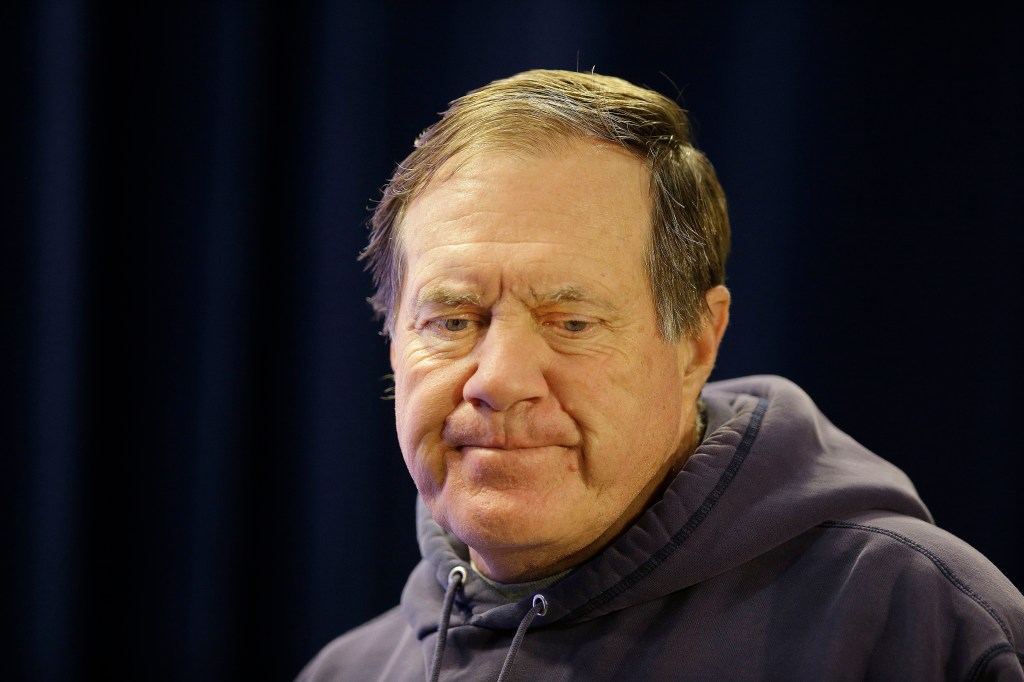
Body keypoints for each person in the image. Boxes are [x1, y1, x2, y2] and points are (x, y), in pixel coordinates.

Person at [297, 69, 1024, 681]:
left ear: (697, 345)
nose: (500, 379)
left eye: (572, 323)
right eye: (453, 321)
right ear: (392, 341)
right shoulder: (347, 670)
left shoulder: (918, 625)